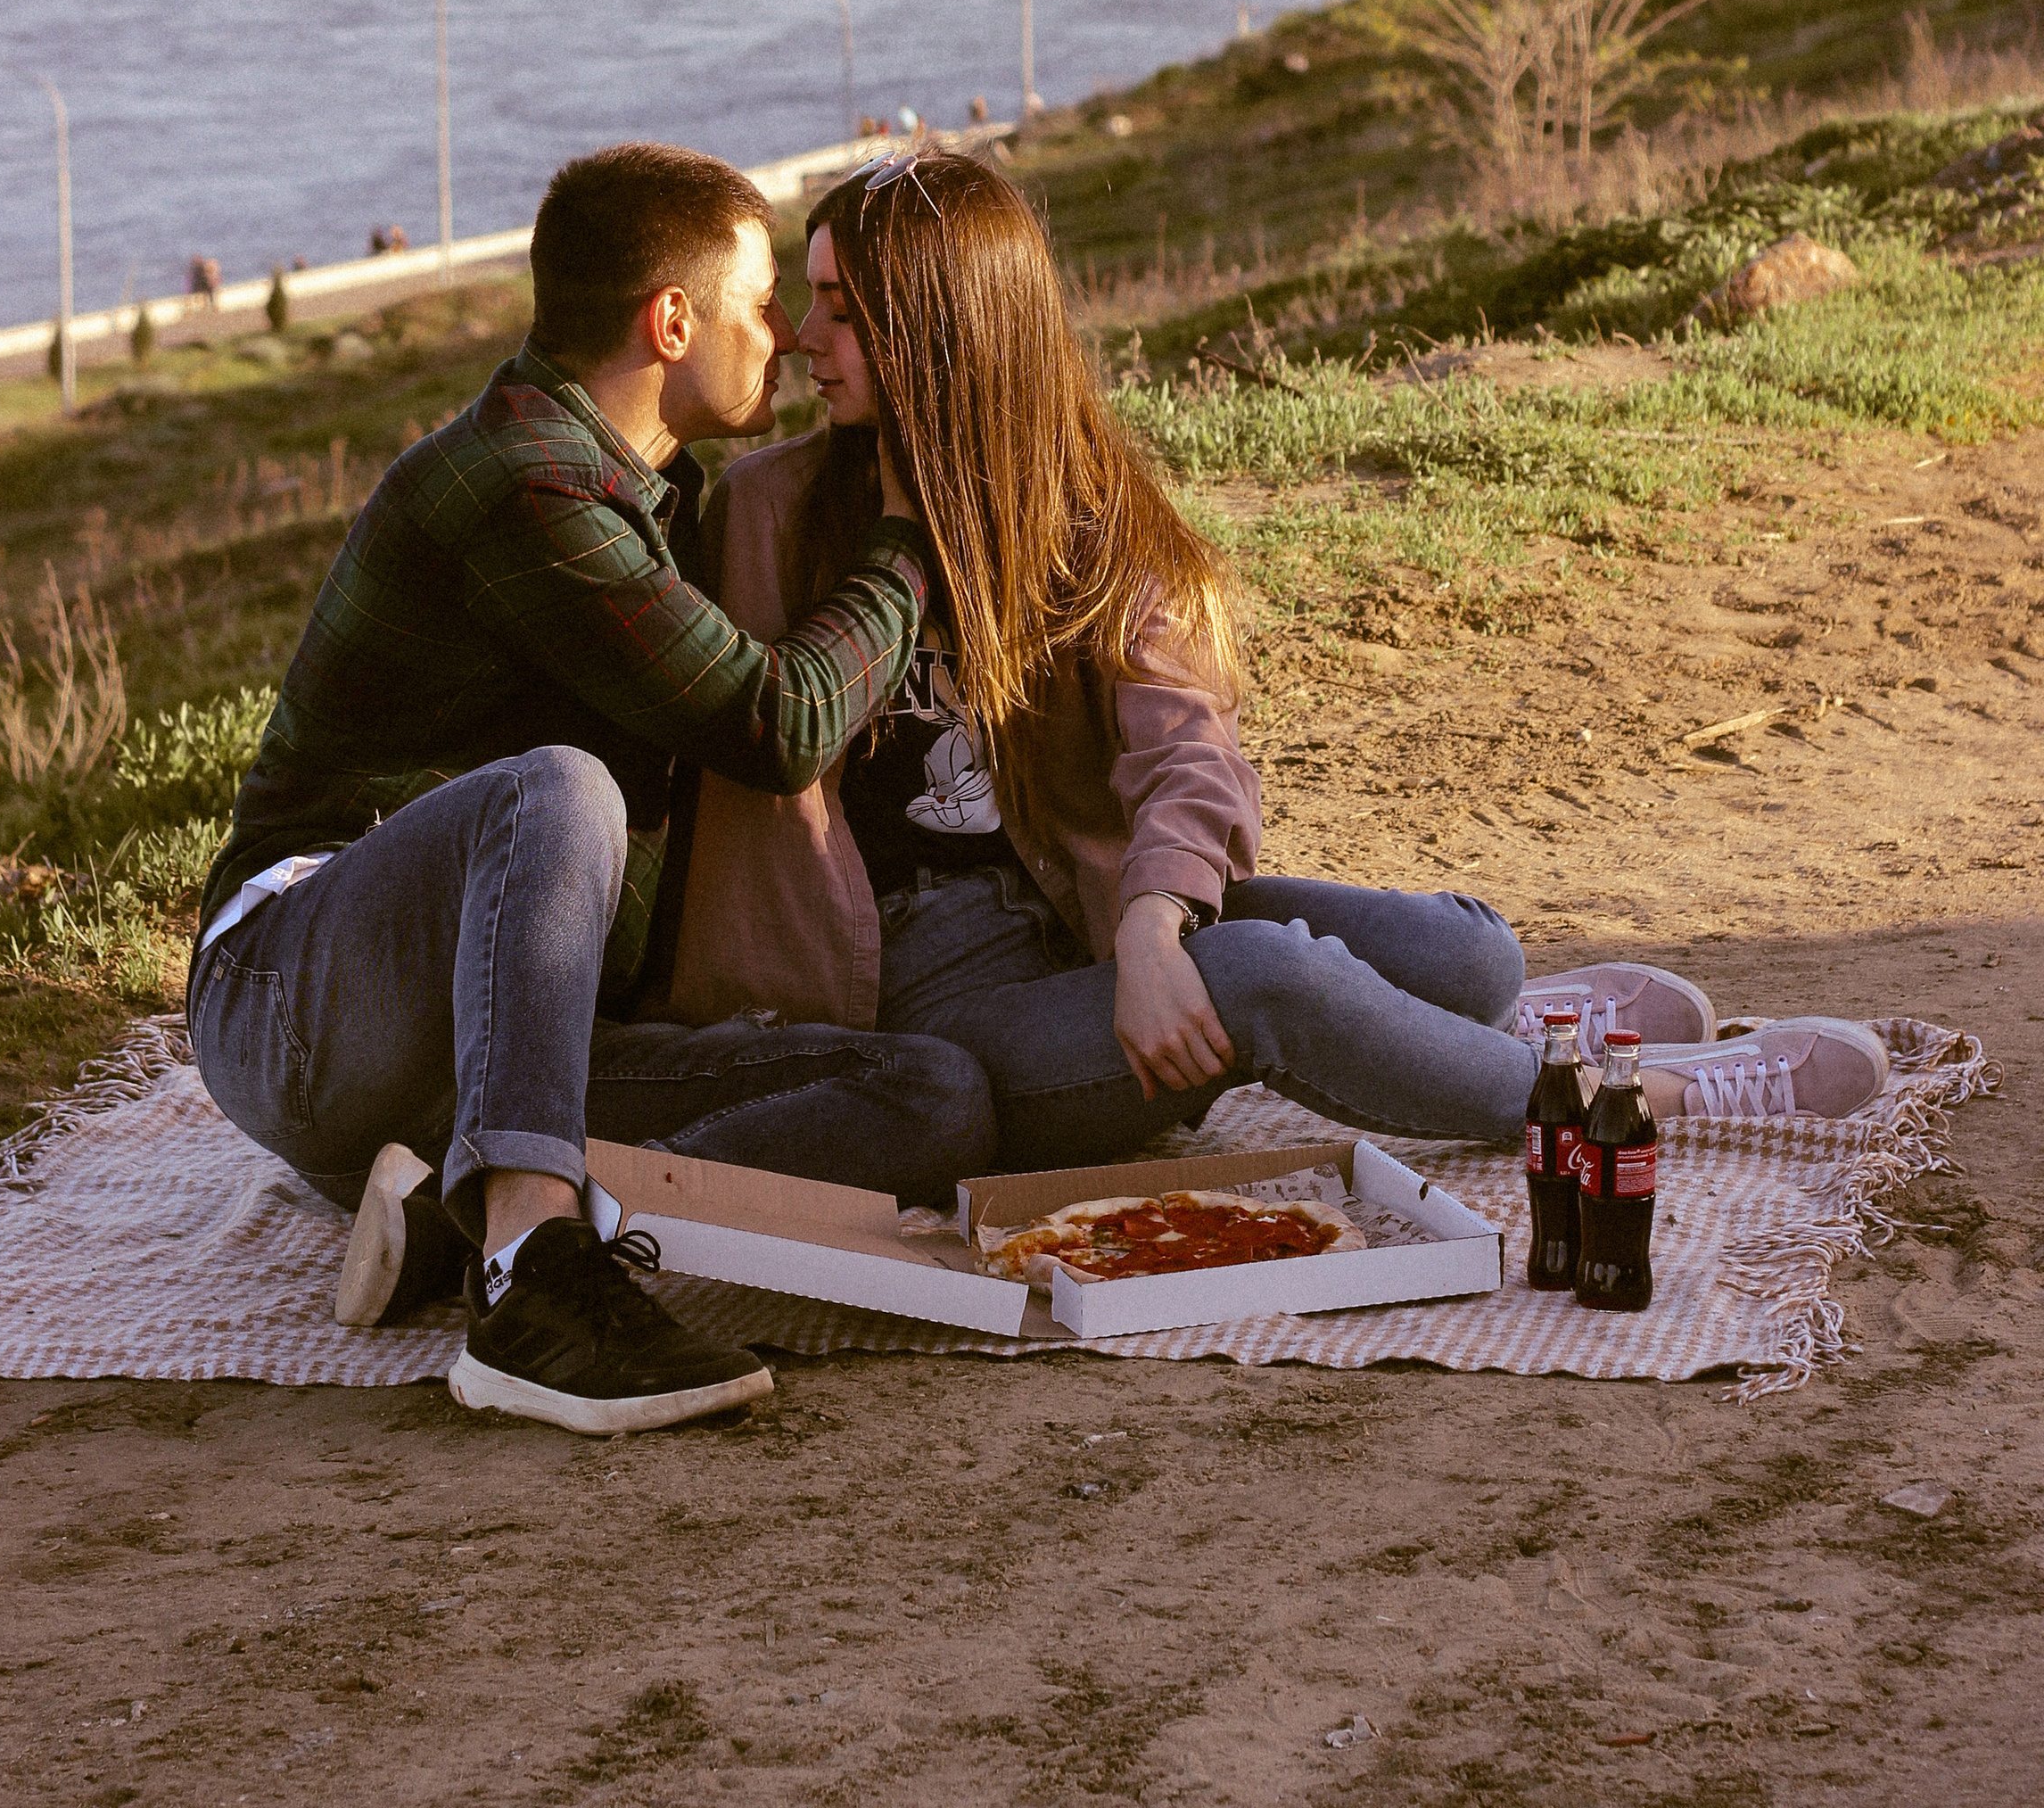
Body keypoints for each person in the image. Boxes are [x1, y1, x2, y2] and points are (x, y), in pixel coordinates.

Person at [670, 150, 1892, 1160]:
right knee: (1255, 980)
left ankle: (1479, 1034)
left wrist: (1148, 941)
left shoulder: (1084, 509)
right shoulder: (769, 513)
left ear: (944, 332)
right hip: (919, 1004)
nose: (799, 341)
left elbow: (1189, 755)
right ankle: (1630, 1106)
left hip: (1069, 910)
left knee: (1468, 953)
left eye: (842, 310)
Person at [187, 142, 995, 1441]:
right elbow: (775, 722)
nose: (787, 337)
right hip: (292, 993)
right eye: (761, 302)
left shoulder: (650, 499)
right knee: (558, 791)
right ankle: (530, 1287)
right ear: (672, 321)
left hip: (467, 1057)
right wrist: (906, 541)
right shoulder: (527, 481)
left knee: (931, 1093)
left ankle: (462, 1203)